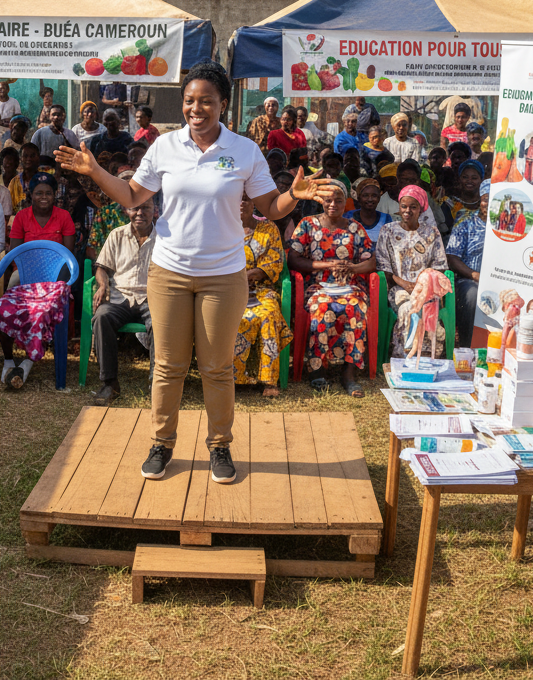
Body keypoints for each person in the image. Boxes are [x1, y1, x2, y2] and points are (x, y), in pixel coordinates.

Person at [57, 61, 327, 483]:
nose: (196, 109)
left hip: (224, 275)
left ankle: (220, 446)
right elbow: (132, 193)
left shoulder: (243, 150)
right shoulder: (165, 147)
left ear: (223, 105)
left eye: (206, 101)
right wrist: (94, 170)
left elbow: (270, 208)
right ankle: (161, 444)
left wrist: (294, 194)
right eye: (189, 101)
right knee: (168, 365)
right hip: (169, 273)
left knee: (217, 367)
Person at [287, 176, 375, 397]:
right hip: (318, 286)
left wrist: (352, 269)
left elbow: (371, 261)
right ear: (321, 201)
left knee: (354, 308)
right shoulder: (308, 224)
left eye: (338, 200)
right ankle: (318, 369)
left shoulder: (355, 228)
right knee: (323, 308)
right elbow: (294, 259)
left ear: (346, 202)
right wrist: (327, 264)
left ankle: (349, 372)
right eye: (328, 200)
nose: (333, 204)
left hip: (350, 287)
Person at [0, 173, 76, 389]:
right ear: (31, 195)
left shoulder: (64, 216)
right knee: (6, 303)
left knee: (45, 306)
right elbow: (15, 253)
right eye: (39, 193)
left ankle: (31, 352)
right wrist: (30, 276)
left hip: (55, 274)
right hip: (26, 272)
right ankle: (9, 358)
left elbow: (68, 255)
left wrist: (51, 281)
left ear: (55, 195)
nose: (43, 197)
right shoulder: (21, 217)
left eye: (48, 193)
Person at [89, 197, 156, 406]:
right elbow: (102, 267)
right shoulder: (117, 235)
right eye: (135, 208)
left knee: (162, 323)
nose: (139, 213)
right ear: (127, 210)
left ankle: (157, 386)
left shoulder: (165, 238)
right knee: (102, 317)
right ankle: (110, 384)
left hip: (153, 296)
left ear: (155, 210)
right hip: (121, 296)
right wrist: (102, 285)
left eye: (145, 208)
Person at [376, 185, 449, 355]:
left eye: (413, 207)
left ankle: (427, 356)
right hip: (399, 289)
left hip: (427, 289)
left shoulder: (431, 232)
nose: (407, 211)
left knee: (427, 308)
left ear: (421, 209)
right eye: (404, 206)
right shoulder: (388, 231)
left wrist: (423, 287)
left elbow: (439, 266)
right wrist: (406, 284)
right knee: (408, 309)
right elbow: (383, 266)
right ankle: (405, 356)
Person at [236, 193, 292, 398]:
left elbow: (273, 264)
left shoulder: (268, 229)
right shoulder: (219, 228)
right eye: (236, 198)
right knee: (224, 314)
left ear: (254, 203)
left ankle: (269, 380)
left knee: (268, 314)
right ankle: (231, 378)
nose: (241, 203)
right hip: (225, 289)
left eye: (246, 199)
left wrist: (247, 275)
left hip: (259, 289)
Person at [447, 181, 490, 344]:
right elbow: (452, 256)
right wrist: (475, 275)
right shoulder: (465, 223)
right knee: (472, 294)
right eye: (486, 199)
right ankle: (468, 346)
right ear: (480, 199)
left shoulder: (505, 228)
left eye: (495, 200)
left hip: (498, 281)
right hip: (469, 280)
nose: (489, 203)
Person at [344, 177, 392, 246]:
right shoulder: (347, 217)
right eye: (365, 196)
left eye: (374, 196)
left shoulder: (386, 219)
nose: (370, 199)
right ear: (358, 197)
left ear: (379, 198)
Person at [445, 159, 484, 227]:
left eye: (474, 178)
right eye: (465, 177)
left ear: (481, 180)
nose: (469, 181)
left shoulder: (486, 205)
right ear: (459, 179)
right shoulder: (449, 204)